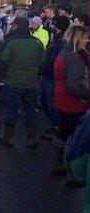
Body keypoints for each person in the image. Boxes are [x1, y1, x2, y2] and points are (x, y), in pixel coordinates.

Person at [0, 17, 45, 148]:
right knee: (31, 110)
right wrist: (36, 75)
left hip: (13, 83)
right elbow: (43, 62)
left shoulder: (11, 42)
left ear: (17, 26)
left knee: (11, 110)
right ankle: (31, 139)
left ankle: (7, 137)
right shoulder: (37, 42)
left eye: (13, 25)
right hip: (32, 84)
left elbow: (3, 61)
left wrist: (2, 77)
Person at [52, 25, 90, 175]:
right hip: (75, 103)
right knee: (78, 138)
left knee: (62, 131)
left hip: (62, 100)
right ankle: (74, 172)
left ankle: (57, 162)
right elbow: (75, 86)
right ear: (78, 38)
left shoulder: (64, 52)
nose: (87, 40)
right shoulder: (75, 57)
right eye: (85, 37)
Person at [40, 16, 71, 140]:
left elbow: (59, 62)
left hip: (53, 78)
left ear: (58, 26)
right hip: (47, 75)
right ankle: (55, 125)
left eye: (53, 24)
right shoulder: (57, 39)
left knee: (52, 103)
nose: (51, 26)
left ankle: (56, 129)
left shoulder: (62, 43)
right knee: (45, 101)